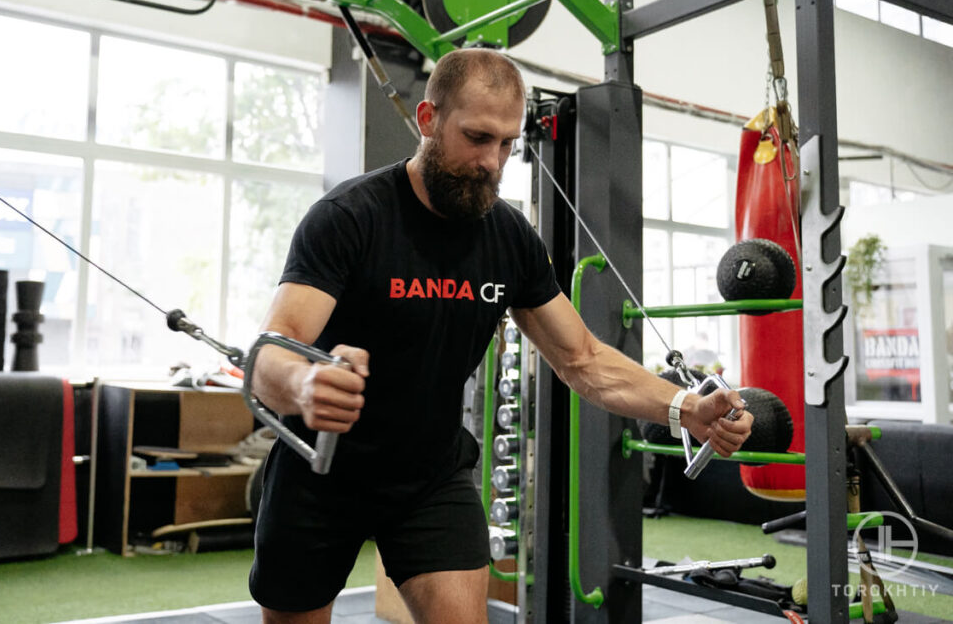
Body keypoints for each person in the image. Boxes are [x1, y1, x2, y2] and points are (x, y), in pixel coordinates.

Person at [248, 48, 753, 624]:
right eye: (478, 137)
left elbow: (582, 358)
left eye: (508, 144)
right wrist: (306, 383)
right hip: (322, 470)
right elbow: (273, 348)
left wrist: (683, 405)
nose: (493, 161)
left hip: (429, 476)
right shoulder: (349, 217)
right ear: (428, 120)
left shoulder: (508, 236)